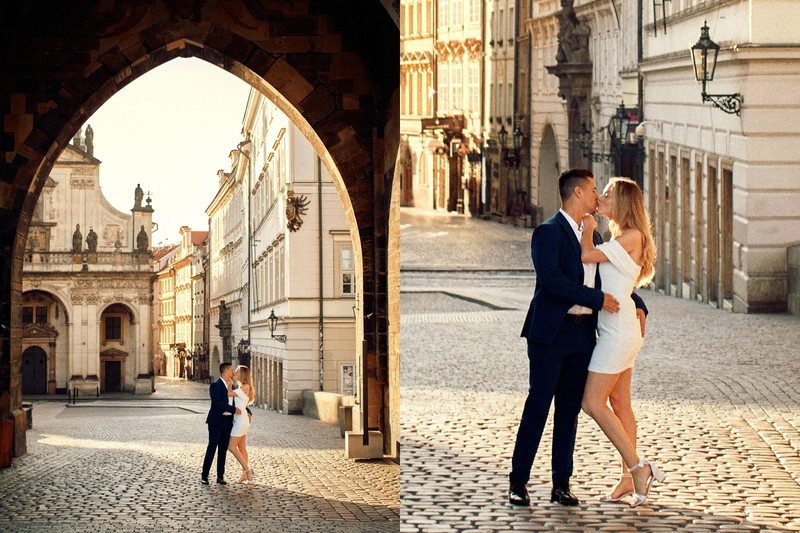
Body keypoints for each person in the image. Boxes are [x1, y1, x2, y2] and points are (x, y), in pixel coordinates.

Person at [509, 168, 647, 507]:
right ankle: (518, 481)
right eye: (594, 190)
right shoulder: (547, 233)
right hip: (550, 333)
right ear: (578, 194)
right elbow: (553, 282)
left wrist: (638, 304)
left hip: (584, 335)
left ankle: (561, 485)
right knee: (538, 407)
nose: (598, 196)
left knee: (569, 411)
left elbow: (612, 279)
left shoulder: (595, 237)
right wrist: (596, 301)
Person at [579, 177, 664, 508]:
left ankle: (638, 468)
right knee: (621, 404)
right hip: (620, 327)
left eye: (609, 195)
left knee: (593, 403)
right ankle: (627, 480)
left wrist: (586, 225)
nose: (601, 197)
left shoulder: (631, 236)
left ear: (624, 204)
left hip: (618, 333)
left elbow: (587, 256)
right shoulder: (623, 237)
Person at [201, 362, 242, 485]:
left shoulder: (232, 388)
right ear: (225, 371)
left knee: (223, 450)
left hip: (228, 422)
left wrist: (247, 411)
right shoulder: (215, 386)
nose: (233, 372)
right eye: (231, 370)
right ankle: (204, 475)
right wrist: (233, 410)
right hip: (216, 422)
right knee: (212, 448)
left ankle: (220, 476)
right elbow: (217, 404)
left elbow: (238, 402)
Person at [226, 365, 256, 484]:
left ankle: (248, 470)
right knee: (242, 447)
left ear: (243, 374)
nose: (235, 372)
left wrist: (229, 381)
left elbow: (229, 394)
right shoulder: (242, 387)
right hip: (241, 419)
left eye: (237, 371)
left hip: (240, 421)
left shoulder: (245, 387)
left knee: (231, 447)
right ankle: (244, 474)